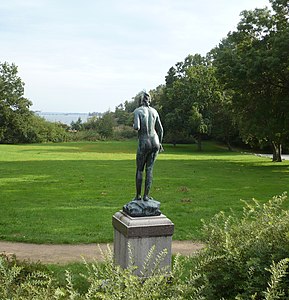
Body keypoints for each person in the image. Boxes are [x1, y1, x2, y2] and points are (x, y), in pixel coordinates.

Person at [133, 90, 163, 201]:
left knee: (140, 169)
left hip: (144, 142)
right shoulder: (155, 112)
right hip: (155, 140)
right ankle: (146, 196)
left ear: (141, 100)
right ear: (149, 100)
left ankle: (138, 196)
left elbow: (137, 127)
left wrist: (134, 124)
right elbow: (161, 129)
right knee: (149, 169)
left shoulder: (138, 111)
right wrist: (160, 143)